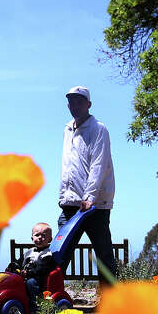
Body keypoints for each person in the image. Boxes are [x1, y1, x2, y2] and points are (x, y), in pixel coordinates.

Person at [59, 85, 117, 282]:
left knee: (103, 255)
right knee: (59, 253)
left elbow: (98, 164)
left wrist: (89, 197)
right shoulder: (67, 129)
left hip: (95, 205)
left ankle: (111, 305)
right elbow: (68, 165)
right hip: (70, 202)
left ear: (89, 104)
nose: (74, 105)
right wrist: (63, 196)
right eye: (71, 101)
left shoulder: (98, 129)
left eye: (79, 101)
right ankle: (50, 300)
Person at [6, 222, 56, 302]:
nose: (40, 237)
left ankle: (35, 304)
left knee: (30, 283)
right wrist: (12, 266)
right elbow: (19, 262)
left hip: (39, 279)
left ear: (49, 239)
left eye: (43, 235)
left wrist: (29, 273)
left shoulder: (47, 254)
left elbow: (42, 269)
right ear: (32, 238)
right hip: (26, 275)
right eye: (37, 235)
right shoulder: (29, 252)